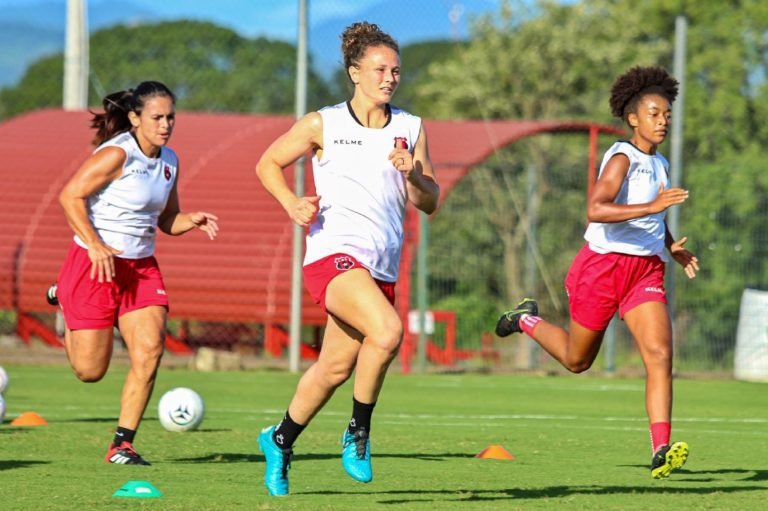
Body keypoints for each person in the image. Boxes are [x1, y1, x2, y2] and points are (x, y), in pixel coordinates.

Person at [254, 22, 439, 496]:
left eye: (396, 70)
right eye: (380, 69)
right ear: (355, 72)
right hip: (332, 257)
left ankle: (280, 439)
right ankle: (358, 433)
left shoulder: (411, 128)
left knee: (334, 370)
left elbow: (430, 200)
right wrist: (291, 202)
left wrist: (413, 175)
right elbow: (267, 163)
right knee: (390, 331)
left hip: (379, 267)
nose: (390, 78)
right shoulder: (324, 123)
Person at [495, 66, 699, 479]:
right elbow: (596, 209)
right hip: (603, 268)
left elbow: (650, 219)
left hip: (644, 272)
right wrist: (653, 208)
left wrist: (670, 245)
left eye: (667, 115)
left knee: (660, 355)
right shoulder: (622, 157)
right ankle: (525, 320)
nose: (663, 121)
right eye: (655, 114)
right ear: (633, 118)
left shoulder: (660, 163)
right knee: (576, 360)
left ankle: (661, 449)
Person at [47, 81, 219, 465]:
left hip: (140, 269)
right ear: (135, 117)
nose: (165, 124)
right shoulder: (115, 155)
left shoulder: (170, 161)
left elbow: (166, 220)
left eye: (170, 117)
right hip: (95, 264)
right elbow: (69, 196)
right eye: (156, 117)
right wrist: (94, 243)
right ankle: (66, 298)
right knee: (90, 372)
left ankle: (122, 445)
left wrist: (189, 219)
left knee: (150, 350)